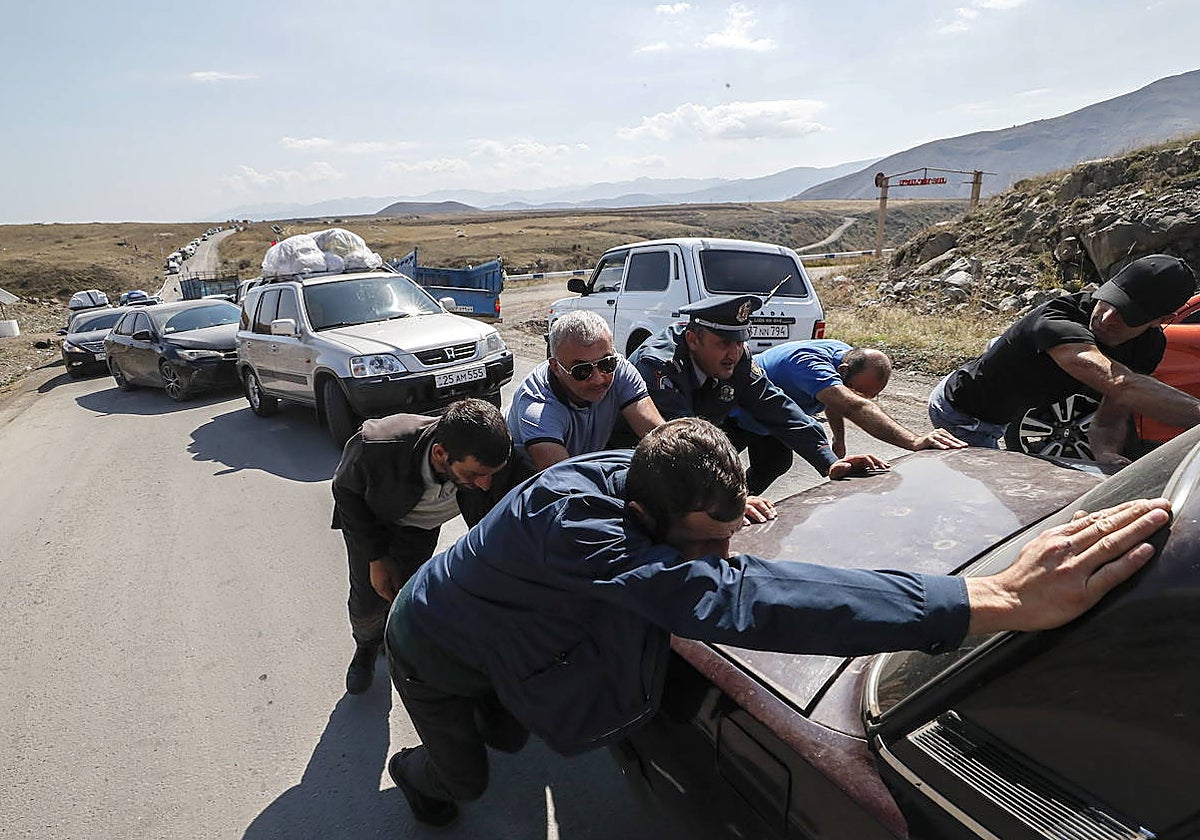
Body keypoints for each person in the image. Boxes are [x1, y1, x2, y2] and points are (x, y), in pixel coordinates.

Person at [381, 417, 1170, 826]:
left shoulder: (656, 478)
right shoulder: (578, 528)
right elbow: (745, 599)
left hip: (509, 637)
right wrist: (991, 600)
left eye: (731, 531)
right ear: (644, 514)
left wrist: (728, 514)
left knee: (507, 726)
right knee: (466, 776)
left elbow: (710, 533)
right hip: (432, 645)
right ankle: (415, 774)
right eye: (707, 541)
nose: (723, 553)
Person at [330, 398, 528, 695]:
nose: (486, 485)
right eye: (474, 475)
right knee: (368, 600)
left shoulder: (494, 453)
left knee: (404, 594)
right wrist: (376, 557)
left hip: (420, 531)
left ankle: (397, 643)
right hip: (374, 525)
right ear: (440, 453)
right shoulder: (378, 444)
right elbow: (344, 489)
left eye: (492, 473)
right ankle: (367, 647)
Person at [929, 253, 1200, 462]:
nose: (1105, 318)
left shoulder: (1148, 347)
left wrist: (1105, 453)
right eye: (1110, 300)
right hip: (960, 412)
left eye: (1128, 314)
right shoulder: (1056, 318)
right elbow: (1120, 383)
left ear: (1163, 320)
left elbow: (1110, 418)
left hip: (1002, 411)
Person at [627, 294, 888, 495]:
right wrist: (727, 496)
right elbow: (681, 441)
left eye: (740, 342)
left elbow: (776, 406)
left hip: (681, 447)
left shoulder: (737, 360)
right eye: (724, 343)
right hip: (635, 458)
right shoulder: (660, 366)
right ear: (694, 340)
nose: (734, 353)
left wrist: (830, 461)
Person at [733, 339, 966, 459]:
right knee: (714, 471)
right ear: (843, 371)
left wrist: (839, 439)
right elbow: (850, 404)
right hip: (735, 412)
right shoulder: (808, 364)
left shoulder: (845, 357)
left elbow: (835, 400)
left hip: (770, 419)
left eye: (869, 395)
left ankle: (740, 508)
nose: (861, 397)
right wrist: (914, 441)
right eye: (858, 391)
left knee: (774, 464)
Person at [507, 310, 664, 471]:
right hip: (526, 479)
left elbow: (660, 437)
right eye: (582, 371)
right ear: (555, 367)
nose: (598, 379)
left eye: (606, 364)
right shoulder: (538, 407)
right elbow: (562, 480)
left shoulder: (621, 370)